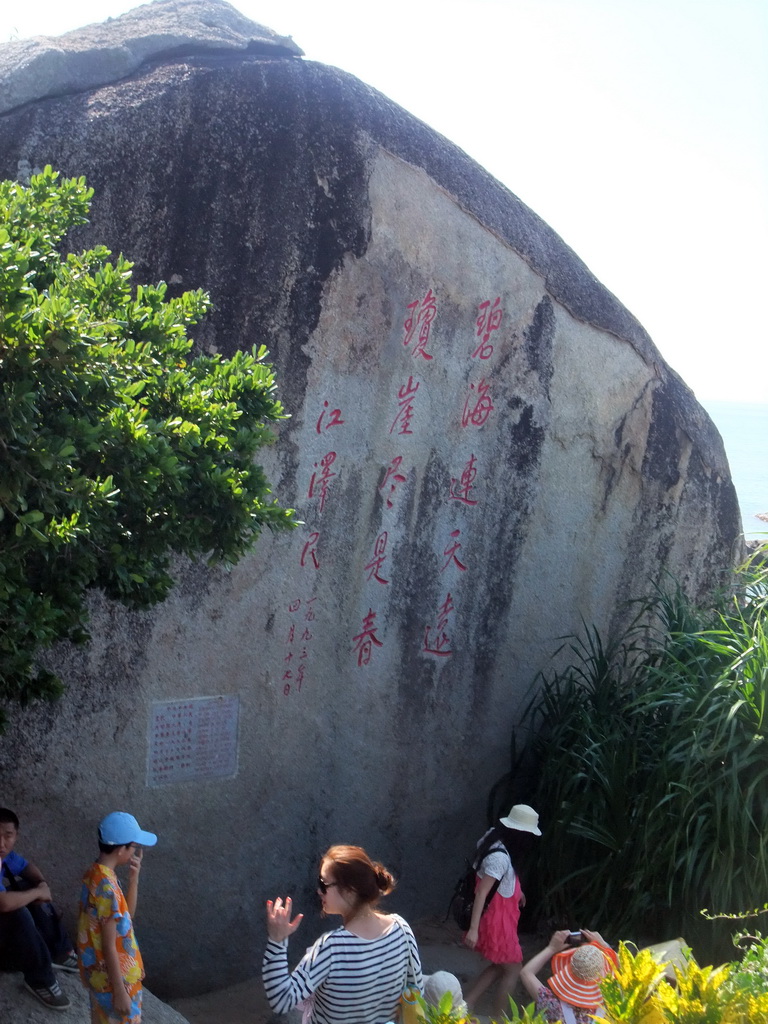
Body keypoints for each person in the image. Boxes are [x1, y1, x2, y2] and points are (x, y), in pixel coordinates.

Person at [263, 843, 423, 1024]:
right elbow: (416, 992)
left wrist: (277, 941)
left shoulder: (331, 949)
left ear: (349, 890)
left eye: (324, 884)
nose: (319, 891)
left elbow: (282, 1000)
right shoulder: (402, 929)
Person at [77, 811, 157, 1024]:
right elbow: (109, 944)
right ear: (122, 849)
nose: (134, 852)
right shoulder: (107, 888)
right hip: (117, 981)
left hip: (99, 977)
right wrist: (120, 991)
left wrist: (133, 879)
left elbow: (126, 916)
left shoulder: (95, 874)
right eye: (133, 847)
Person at [463, 803, 541, 1016]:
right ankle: (500, 1016)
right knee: (514, 968)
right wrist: (473, 929)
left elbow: (503, 880)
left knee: (501, 966)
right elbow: (482, 893)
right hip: (497, 922)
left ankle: (468, 1002)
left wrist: (517, 891)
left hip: (502, 917)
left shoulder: (494, 838)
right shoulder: (499, 857)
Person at [0, 806, 77, 1011]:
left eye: (8, 836)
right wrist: (38, 893)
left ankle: (59, 952)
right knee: (17, 909)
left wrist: (42, 885)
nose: (2, 843)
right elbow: (4, 903)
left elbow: (26, 868)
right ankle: (40, 979)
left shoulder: (5, 857)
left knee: (29, 888)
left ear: (16, 835)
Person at [520, 929, 618, 1023]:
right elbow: (630, 973)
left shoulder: (553, 1006)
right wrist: (604, 945)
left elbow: (526, 973)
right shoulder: (612, 1007)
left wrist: (551, 948)